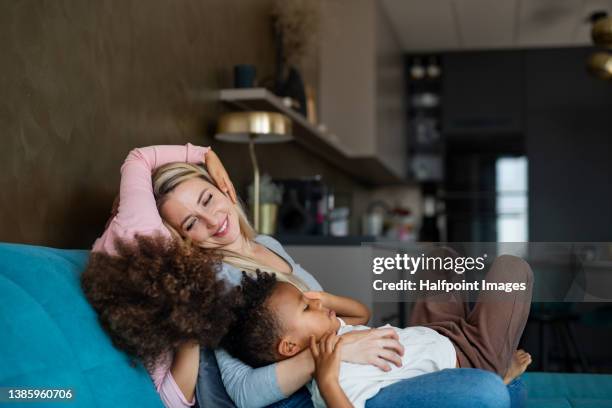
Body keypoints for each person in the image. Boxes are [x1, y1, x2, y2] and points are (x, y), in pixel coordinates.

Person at [86, 144, 406, 408]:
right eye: (190, 224)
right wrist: (337, 351)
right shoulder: (218, 280)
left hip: (354, 373)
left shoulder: (266, 245)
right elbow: (244, 391)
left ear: (223, 187)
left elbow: (333, 319)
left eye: (208, 199)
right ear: (183, 241)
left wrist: (206, 156)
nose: (211, 221)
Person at [222, 254, 533, 408]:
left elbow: (362, 313)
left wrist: (328, 300)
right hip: (470, 356)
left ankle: (501, 377)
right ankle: (499, 374)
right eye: (306, 307)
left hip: (432, 330)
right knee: (512, 270)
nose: (314, 303)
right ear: (289, 347)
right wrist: (328, 381)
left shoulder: (331, 333)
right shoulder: (331, 374)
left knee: (440, 260)